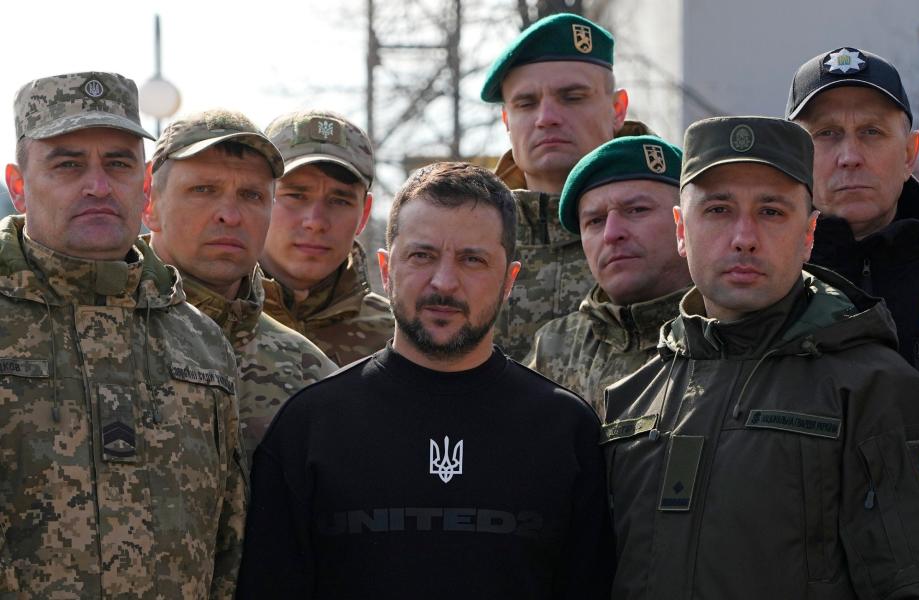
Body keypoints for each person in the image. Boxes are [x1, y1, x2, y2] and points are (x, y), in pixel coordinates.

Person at [603, 116, 919, 599]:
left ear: (809, 232)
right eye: (718, 210)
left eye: (771, 212)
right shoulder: (630, 399)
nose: (744, 236)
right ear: (680, 229)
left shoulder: (873, 390)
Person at [238, 162, 613, 598]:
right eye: (422, 256)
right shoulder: (310, 425)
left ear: (509, 280)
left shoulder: (565, 429)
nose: (444, 282)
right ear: (386, 267)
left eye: (472, 259)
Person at [1, 72, 245, 597]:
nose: (97, 184)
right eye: (67, 164)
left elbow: (228, 547)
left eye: (118, 163)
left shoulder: (199, 342)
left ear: (145, 180)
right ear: (19, 186)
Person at [144, 109, 337, 465]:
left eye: (251, 196)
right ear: (150, 202)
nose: (230, 215)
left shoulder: (304, 369)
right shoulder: (90, 331)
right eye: (203, 190)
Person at [787, 47, 919, 426]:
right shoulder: (769, 274)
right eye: (827, 134)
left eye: (871, 132)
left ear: (909, 154)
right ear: (792, 155)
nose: (850, 156)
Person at [481, 12, 653, 358]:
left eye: (572, 97)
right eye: (526, 103)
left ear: (617, 108)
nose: (546, 118)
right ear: (506, 121)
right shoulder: (475, 232)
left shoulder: (676, 223)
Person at [525, 136, 691, 417]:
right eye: (595, 221)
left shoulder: (724, 333)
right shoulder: (554, 348)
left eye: (637, 210)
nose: (612, 233)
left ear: (684, 223)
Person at [260, 110, 394, 365]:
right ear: (259, 197)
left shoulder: (396, 341)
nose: (316, 222)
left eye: (339, 201)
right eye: (296, 196)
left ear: (364, 214)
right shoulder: (206, 321)